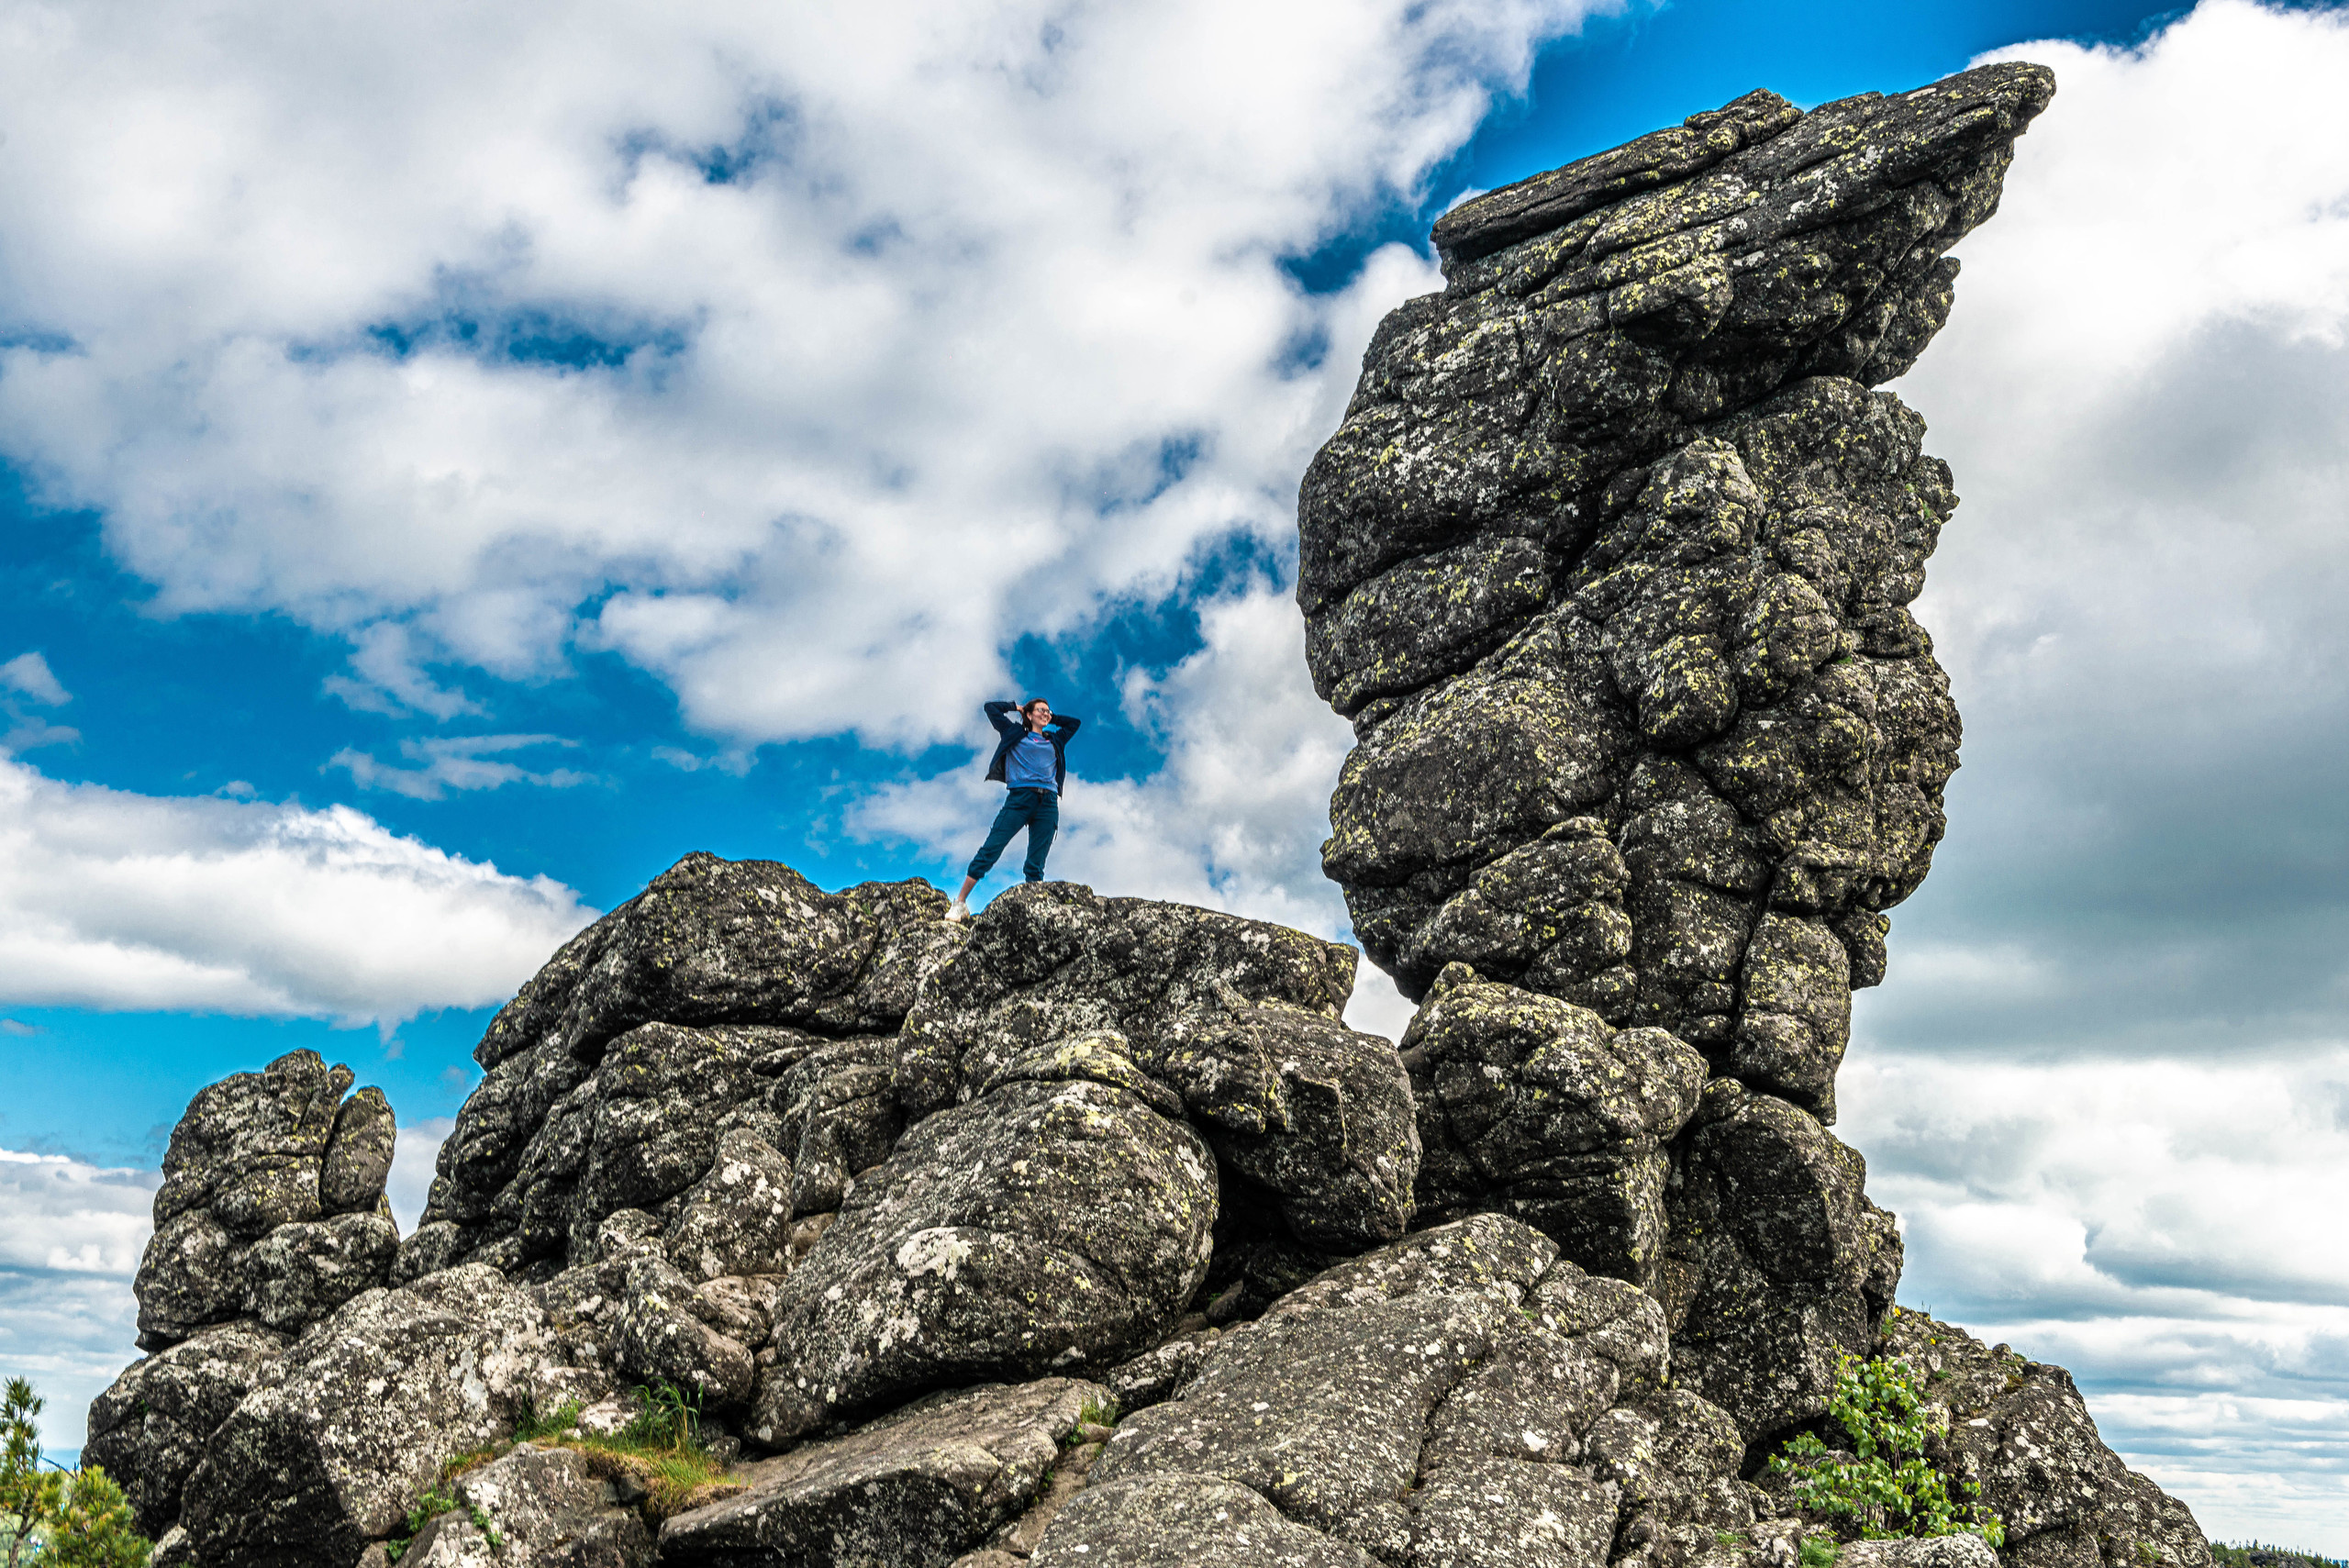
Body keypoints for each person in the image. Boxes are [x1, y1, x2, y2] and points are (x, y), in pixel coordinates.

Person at [948, 697, 1081, 921]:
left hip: (1048, 803)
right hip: (1020, 798)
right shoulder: (1014, 732)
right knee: (991, 849)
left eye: (1048, 710)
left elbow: (1074, 723)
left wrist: (1051, 717)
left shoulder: (1054, 740)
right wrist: (1016, 708)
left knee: (1035, 863)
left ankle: (1035, 909)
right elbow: (990, 708)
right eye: (1041, 710)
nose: (1046, 713)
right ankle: (960, 902)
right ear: (1029, 715)